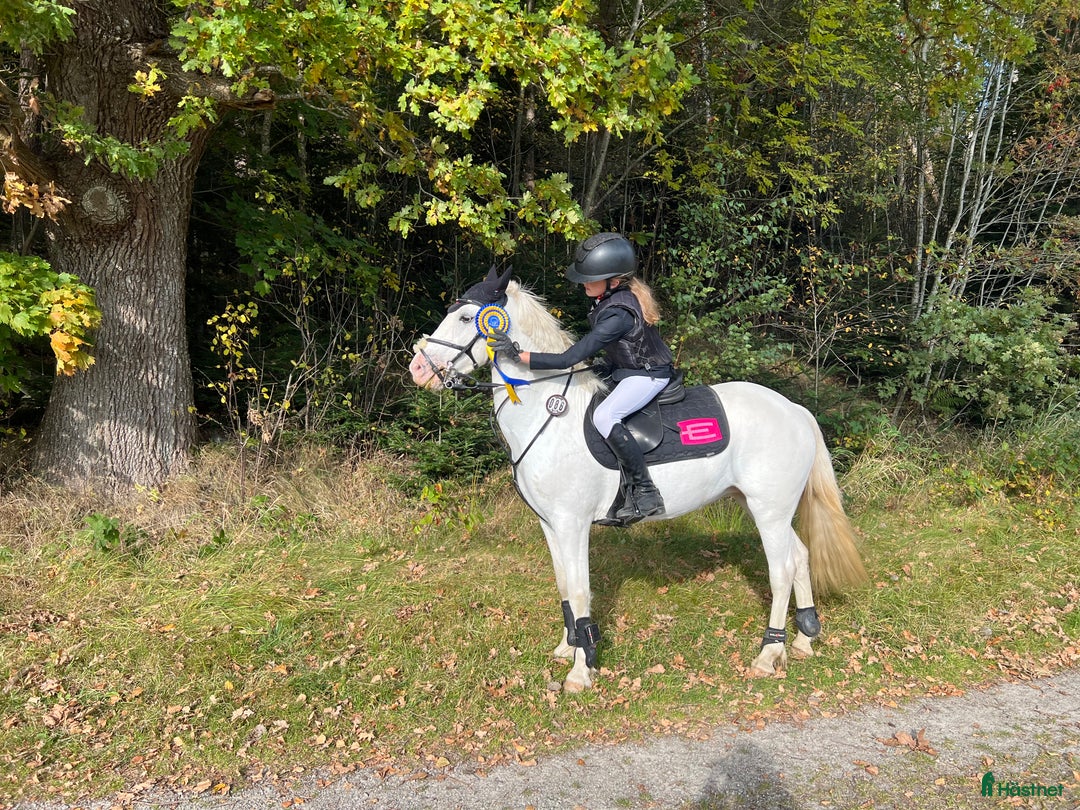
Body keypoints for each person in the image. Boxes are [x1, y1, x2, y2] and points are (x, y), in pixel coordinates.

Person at [488, 232, 674, 524]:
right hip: (627, 370)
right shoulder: (610, 299)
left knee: (604, 416)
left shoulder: (618, 314)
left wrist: (519, 355)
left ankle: (646, 491)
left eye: (592, 277)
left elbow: (567, 359)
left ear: (614, 280)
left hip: (647, 375)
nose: (584, 282)